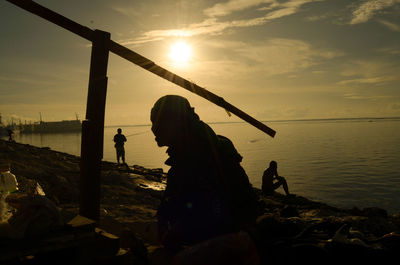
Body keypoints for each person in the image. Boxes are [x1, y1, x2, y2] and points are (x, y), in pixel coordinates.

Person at [150, 95, 259, 251]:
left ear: (176, 123)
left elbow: (211, 212)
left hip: (224, 245)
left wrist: (175, 234)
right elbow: (174, 202)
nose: (153, 129)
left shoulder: (205, 157)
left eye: (158, 122)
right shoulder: (183, 156)